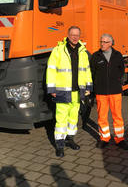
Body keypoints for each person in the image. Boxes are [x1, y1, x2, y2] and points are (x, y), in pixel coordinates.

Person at [46, 26, 93, 157]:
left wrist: (88, 88)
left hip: (78, 92)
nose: (75, 37)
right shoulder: (59, 50)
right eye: (72, 35)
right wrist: (52, 88)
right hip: (62, 91)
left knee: (73, 118)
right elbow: (51, 69)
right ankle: (59, 145)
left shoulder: (83, 51)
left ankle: (70, 139)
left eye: (77, 35)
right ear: (67, 35)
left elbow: (87, 71)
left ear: (79, 36)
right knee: (61, 118)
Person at [90, 33, 128, 150]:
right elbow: (92, 73)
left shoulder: (118, 55)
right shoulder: (95, 56)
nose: (102, 44)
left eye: (105, 42)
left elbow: (121, 71)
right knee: (102, 116)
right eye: (101, 42)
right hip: (100, 92)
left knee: (117, 116)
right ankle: (104, 138)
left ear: (111, 43)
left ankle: (119, 139)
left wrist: (116, 81)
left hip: (115, 91)